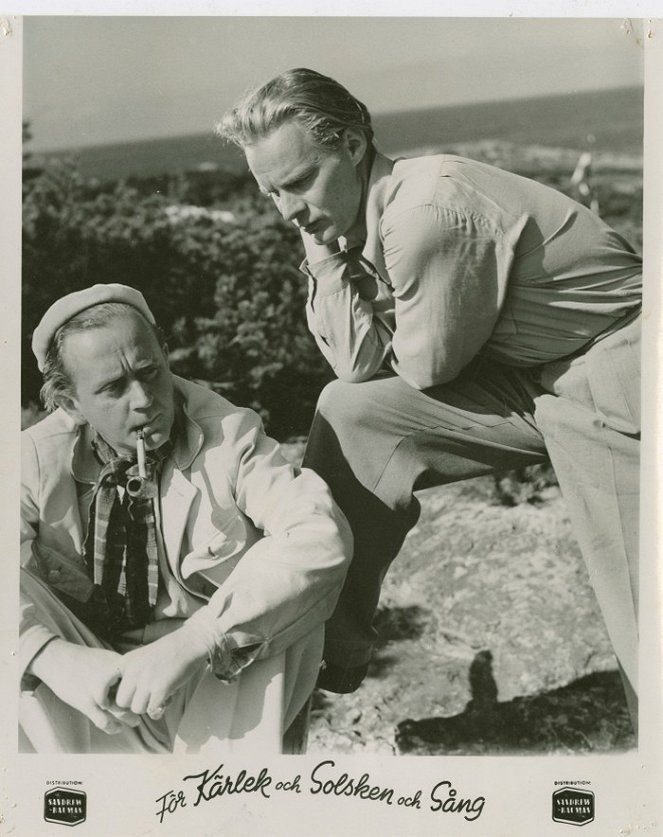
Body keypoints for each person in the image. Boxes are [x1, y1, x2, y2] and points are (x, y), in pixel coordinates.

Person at [218, 68, 642, 729]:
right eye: (271, 192)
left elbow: (425, 367)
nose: (288, 209)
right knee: (348, 412)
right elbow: (357, 368)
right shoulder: (355, 218)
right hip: (529, 375)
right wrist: (324, 253)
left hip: (615, 370)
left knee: (640, 610)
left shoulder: (422, 214)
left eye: (299, 182)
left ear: (354, 144)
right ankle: (328, 650)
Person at [20, 283, 353, 754]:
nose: (144, 400)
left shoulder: (230, 435)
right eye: (113, 388)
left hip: (210, 684)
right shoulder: (33, 458)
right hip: (94, 693)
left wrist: (199, 640)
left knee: (285, 597)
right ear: (70, 403)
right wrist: (51, 656)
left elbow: (321, 534)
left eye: (149, 372)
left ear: (166, 356)